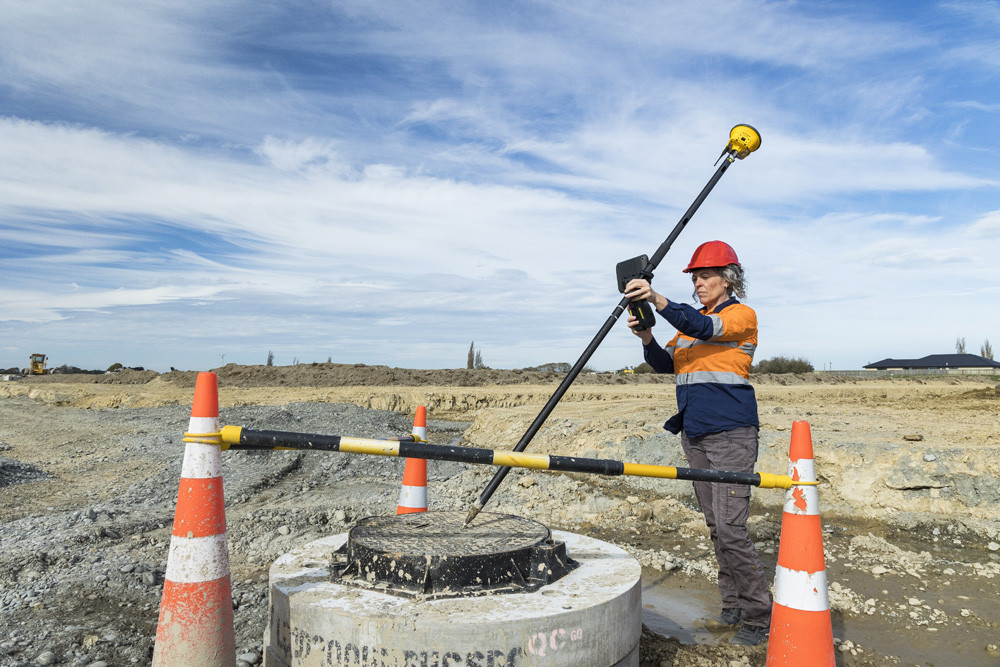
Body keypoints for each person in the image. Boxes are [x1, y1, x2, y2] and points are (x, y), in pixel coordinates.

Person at [624, 240, 770, 647]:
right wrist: (647, 335)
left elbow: (703, 327)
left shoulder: (740, 315)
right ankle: (733, 604)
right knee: (715, 526)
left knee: (731, 528)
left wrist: (655, 296)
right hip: (696, 433)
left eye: (705, 276)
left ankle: (759, 616)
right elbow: (665, 364)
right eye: (695, 278)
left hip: (731, 432)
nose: (699, 284)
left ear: (728, 278)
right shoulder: (689, 326)